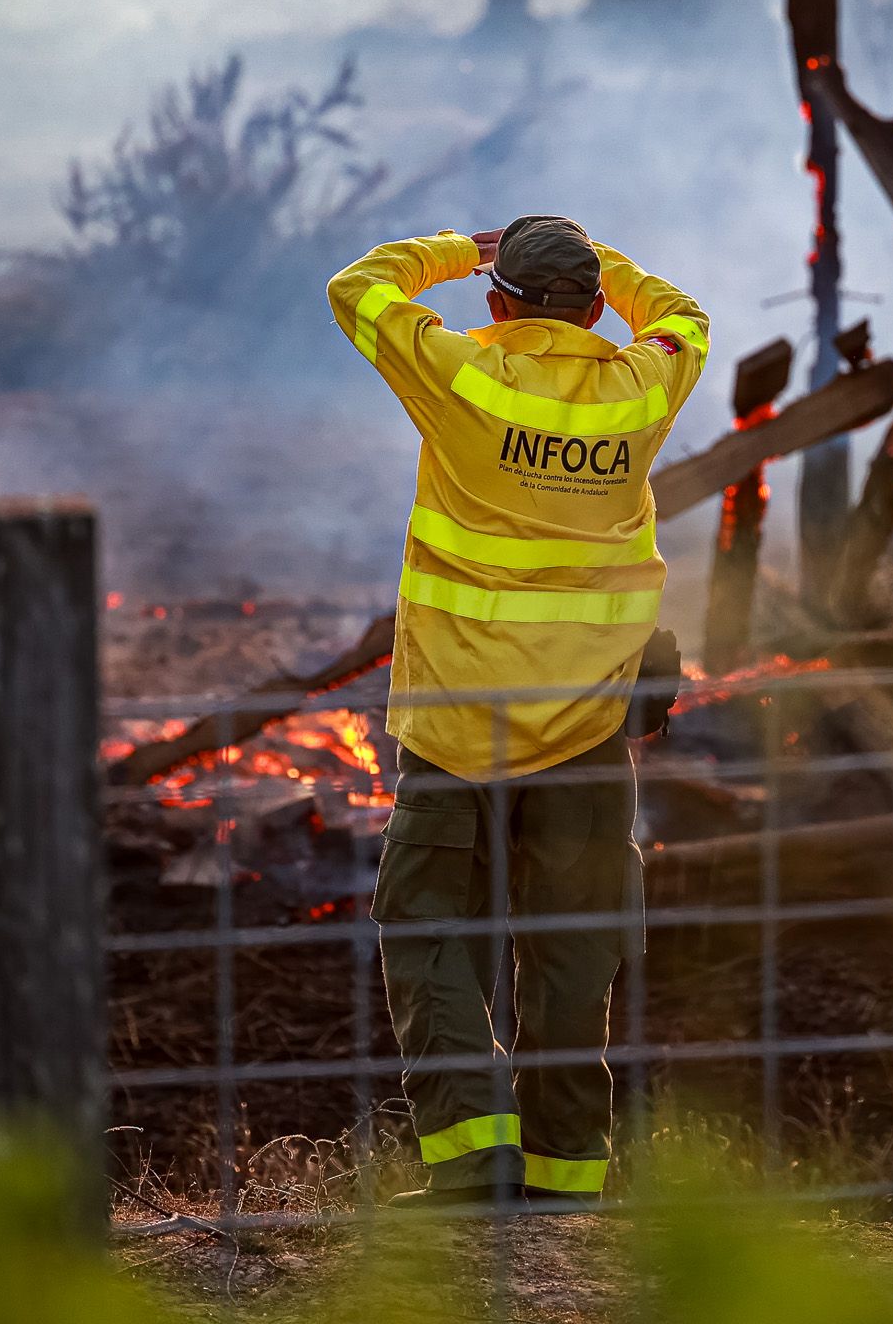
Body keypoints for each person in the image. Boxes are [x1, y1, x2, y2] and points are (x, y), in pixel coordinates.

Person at [327, 215, 708, 1206]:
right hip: (589, 728)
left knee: (426, 921)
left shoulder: (462, 374)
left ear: (495, 305)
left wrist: (462, 244)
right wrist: (609, 263)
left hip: (460, 719)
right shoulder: (641, 386)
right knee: (576, 944)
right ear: (591, 308)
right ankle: (567, 1174)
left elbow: (358, 287)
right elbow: (682, 318)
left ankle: (472, 1158)